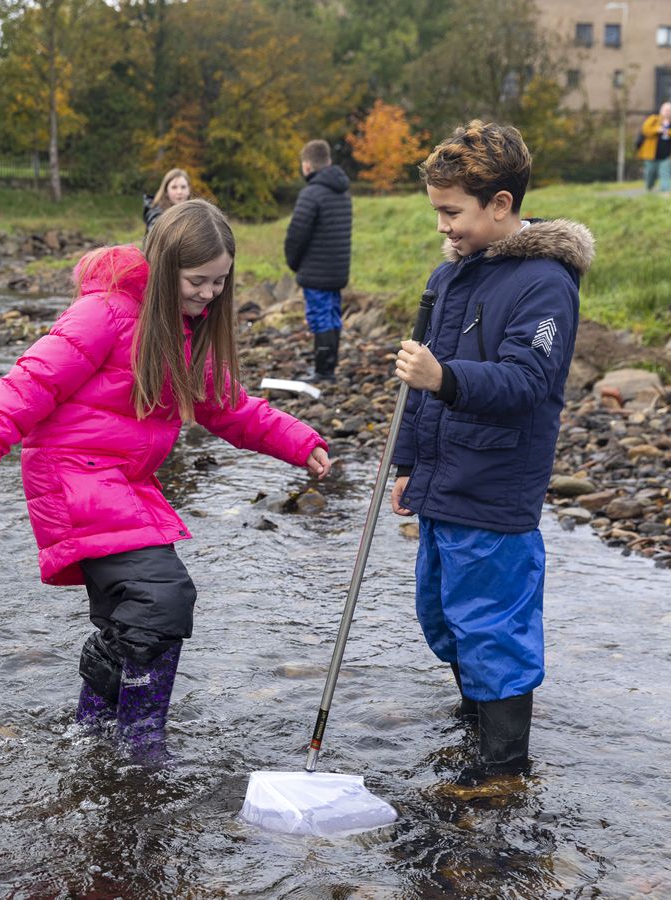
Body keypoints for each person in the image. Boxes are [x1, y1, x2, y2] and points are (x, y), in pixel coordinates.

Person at [0, 200, 332, 764]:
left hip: (121, 480)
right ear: (165, 264)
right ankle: (141, 742)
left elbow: (230, 408)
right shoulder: (104, 314)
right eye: (198, 280)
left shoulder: (186, 331)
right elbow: (26, 386)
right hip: (71, 475)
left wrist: (301, 441)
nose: (210, 294)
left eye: (221, 282)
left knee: (137, 614)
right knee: (162, 597)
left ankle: (94, 729)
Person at [390, 120, 595, 787]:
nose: (443, 227)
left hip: (497, 484)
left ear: (501, 205)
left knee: (491, 626)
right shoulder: (450, 275)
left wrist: (443, 379)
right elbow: (420, 390)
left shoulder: (545, 285)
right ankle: (476, 722)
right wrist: (407, 464)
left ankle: (503, 765)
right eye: (438, 212)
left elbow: (528, 381)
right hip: (444, 479)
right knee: (442, 614)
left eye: (453, 213)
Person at [283, 140, 352, 383]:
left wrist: (293, 263)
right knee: (332, 315)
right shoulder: (342, 192)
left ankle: (323, 372)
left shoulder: (311, 194)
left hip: (316, 270)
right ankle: (329, 368)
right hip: (336, 269)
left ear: (307, 166)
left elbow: (296, 235)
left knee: (320, 316)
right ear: (329, 162)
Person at [142, 168, 191, 234]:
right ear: (166, 191)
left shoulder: (195, 211)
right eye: (174, 187)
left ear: (189, 190)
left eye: (183, 187)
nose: (179, 192)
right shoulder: (156, 211)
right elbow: (157, 233)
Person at [636, 102, 671, 193]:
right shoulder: (653, 119)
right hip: (651, 154)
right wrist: (658, 129)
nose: (668, 112)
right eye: (666, 110)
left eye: (669, 110)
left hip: (667, 155)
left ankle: (665, 191)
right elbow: (645, 130)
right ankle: (649, 188)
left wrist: (668, 132)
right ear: (661, 111)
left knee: (665, 173)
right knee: (650, 173)